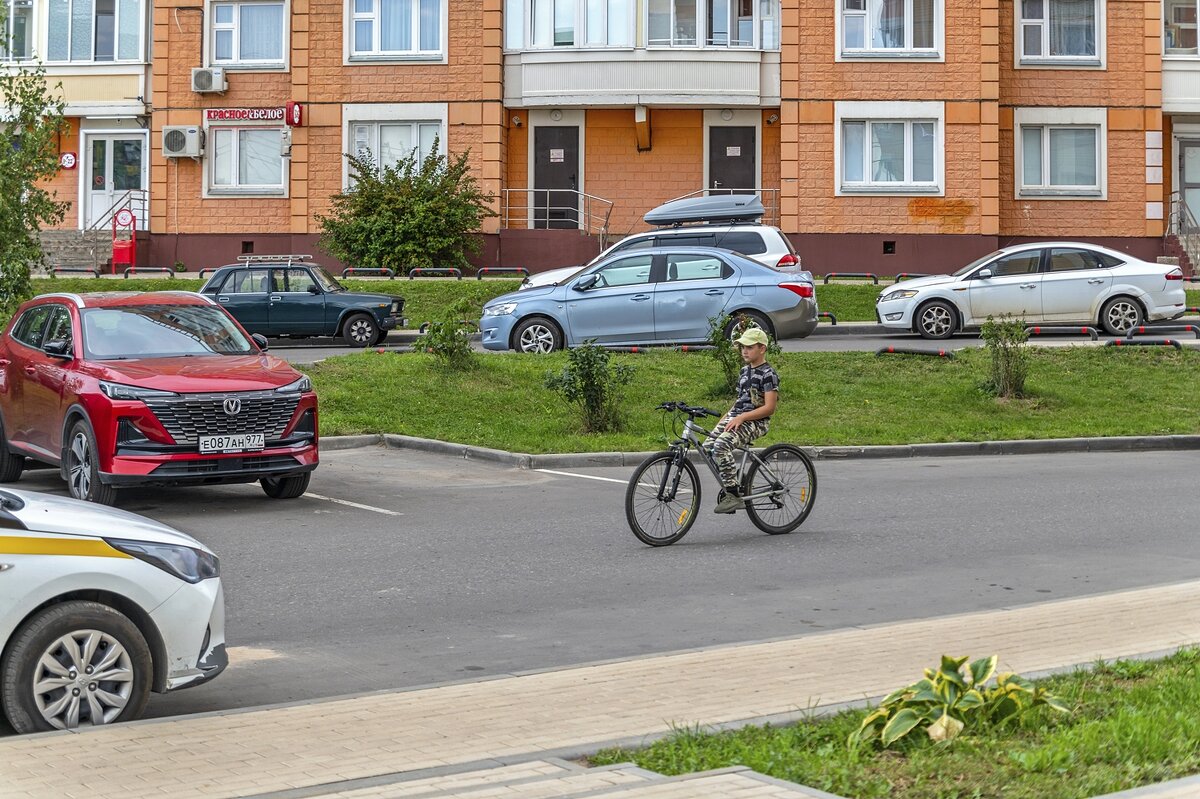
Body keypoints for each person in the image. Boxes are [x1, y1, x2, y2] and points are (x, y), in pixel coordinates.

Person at [704, 326, 780, 513]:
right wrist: (725, 420)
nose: (744, 350)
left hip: (756, 421)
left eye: (749, 347)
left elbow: (769, 408)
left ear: (762, 348)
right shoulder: (744, 371)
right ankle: (735, 480)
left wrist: (743, 417)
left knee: (721, 446)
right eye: (742, 347)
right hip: (738, 417)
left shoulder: (768, 374)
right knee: (707, 447)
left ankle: (733, 495)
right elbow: (739, 402)